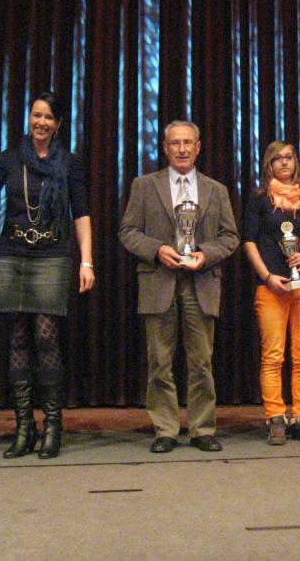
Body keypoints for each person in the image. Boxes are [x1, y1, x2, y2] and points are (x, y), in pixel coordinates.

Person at [0, 91, 95, 458]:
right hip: (14, 253)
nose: (41, 122)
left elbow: (81, 212)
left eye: (48, 117)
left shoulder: (69, 162)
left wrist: (87, 261)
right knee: (17, 337)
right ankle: (24, 427)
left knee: (46, 336)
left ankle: (53, 426)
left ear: (58, 124)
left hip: (52, 253)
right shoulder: (10, 158)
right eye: (36, 115)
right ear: (29, 118)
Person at [119, 120, 239, 454]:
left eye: (188, 143)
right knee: (159, 362)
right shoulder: (144, 186)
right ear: (165, 147)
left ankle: (202, 428)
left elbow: (230, 237)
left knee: (201, 362)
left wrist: (205, 254)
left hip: (201, 282)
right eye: (175, 143)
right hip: (159, 280)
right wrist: (157, 249)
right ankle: (166, 429)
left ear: (198, 147)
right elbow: (128, 232)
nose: (182, 149)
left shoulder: (216, 190)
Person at [243, 141, 300, 445]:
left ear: (296, 161)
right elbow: (248, 241)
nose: (284, 163)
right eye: (277, 159)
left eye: (289, 157)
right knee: (273, 355)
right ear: (269, 164)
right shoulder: (259, 198)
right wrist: (266, 276)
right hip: (271, 285)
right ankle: (275, 417)